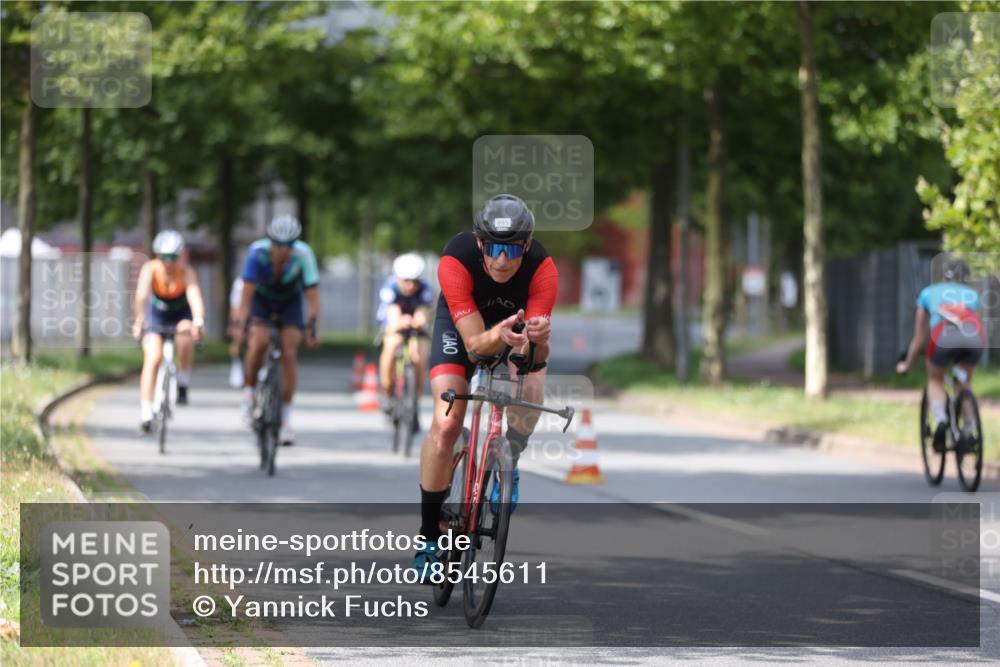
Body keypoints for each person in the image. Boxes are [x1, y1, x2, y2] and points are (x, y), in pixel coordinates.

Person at [411, 194, 558, 579]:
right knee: (446, 423)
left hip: (514, 330)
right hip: (463, 330)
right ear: (479, 243)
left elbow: (535, 357)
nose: (502, 260)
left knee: (530, 389)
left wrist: (539, 339)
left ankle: (510, 457)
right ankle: (428, 536)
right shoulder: (456, 259)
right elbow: (476, 346)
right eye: (493, 247)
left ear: (526, 246)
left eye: (512, 249)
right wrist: (502, 335)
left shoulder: (543, 269)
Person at [233, 214, 320, 446]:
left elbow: (312, 295)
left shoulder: (303, 254)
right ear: (270, 241)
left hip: (289, 302)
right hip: (262, 300)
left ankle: (286, 420)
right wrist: (242, 324)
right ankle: (249, 392)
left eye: (289, 245)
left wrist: (312, 327)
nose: (283, 250)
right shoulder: (256, 253)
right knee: (259, 342)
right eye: (278, 244)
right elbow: (246, 293)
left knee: (289, 354)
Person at [897, 258, 986, 451]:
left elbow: (919, 338)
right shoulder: (972, 295)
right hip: (973, 339)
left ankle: (941, 421)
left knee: (935, 379)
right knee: (964, 383)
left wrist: (907, 364)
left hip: (942, 337)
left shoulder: (927, 293)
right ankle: (969, 430)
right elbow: (978, 327)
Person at [132, 230, 206, 433]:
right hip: (156, 315)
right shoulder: (150, 269)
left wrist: (198, 321)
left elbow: (195, 298)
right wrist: (139, 320)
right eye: (164, 257)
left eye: (173, 257)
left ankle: (183, 381)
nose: (169, 262)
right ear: (158, 256)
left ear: (180, 256)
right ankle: (146, 411)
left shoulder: (187, 272)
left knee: (184, 340)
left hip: (181, 314)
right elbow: (141, 297)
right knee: (153, 358)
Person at [377, 253, 434, 414]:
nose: (410, 285)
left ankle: (415, 400)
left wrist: (419, 320)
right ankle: (387, 389)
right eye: (406, 281)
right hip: (394, 322)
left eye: (414, 281)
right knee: (392, 343)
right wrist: (401, 322)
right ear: (398, 278)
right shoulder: (390, 287)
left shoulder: (425, 289)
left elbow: (423, 311)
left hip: (415, 325)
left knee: (421, 356)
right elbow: (392, 312)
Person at [228, 276, 245, 388]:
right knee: (238, 338)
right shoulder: (240, 283)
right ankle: (236, 362)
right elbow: (235, 307)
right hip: (243, 315)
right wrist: (234, 324)